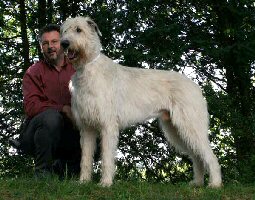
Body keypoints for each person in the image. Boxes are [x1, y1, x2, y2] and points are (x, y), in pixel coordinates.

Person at [19, 24, 81, 178]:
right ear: (41, 47)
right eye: (45, 43)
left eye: (54, 42)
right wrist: (63, 108)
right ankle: (42, 173)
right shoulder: (33, 72)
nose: (50, 47)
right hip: (37, 134)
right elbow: (31, 106)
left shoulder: (79, 69)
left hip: (71, 133)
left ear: (63, 43)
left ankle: (69, 170)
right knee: (51, 117)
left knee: (99, 123)